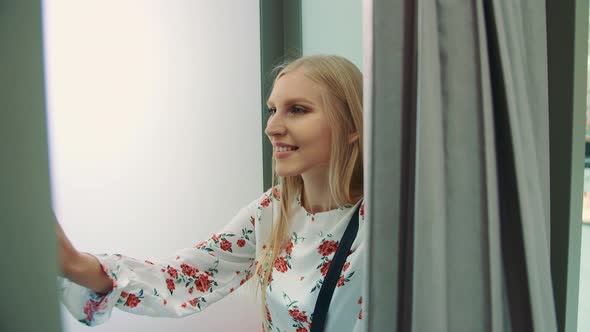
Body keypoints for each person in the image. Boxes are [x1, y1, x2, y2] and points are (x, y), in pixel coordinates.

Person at [57, 54, 366, 332]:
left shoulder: (380, 223)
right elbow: (183, 278)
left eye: (297, 110)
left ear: (352, 125)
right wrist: (75, 264)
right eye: (272, 110)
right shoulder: (273, 210)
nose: (272, 126)